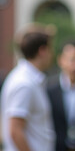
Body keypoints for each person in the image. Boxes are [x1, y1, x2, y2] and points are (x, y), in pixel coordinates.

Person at [1, 23, 56, 151]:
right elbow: (15, 131)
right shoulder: (23, 83)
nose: (52, 54)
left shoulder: (29, 80)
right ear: (42, 51)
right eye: (50, 49)